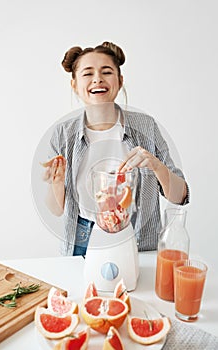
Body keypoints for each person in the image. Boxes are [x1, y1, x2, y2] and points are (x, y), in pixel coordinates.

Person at [42, 41, 189, 256]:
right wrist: (56, 182)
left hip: (138, 236)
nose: (97, 79)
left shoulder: (146, 127)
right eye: (87, 73)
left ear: (120, 81)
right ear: (74, 85)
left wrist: (157, 167)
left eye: (106, 72)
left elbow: (180, 196)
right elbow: (56, 210)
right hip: (82, 238)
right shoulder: (63, 134)